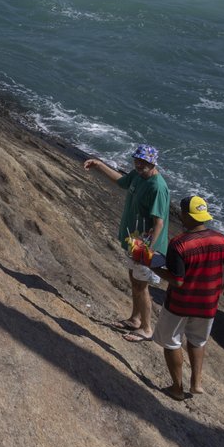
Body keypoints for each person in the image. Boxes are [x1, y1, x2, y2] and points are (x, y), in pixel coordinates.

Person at [152, 195, 224, 398]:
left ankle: (177, 389)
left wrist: (153, 266)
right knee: (197, 341)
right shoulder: (221, 239)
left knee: (172, 342)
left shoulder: (179, 244)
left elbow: (177, 281)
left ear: (186, 215)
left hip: (180, 304)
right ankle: (196, 383)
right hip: (208, 304)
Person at [82, 144, 170, 342]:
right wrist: (98, 164)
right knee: (134, 281)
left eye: (143, 162)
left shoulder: (157, 187)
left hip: (147, 247)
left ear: (153, 163)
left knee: (142, 286)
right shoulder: (138, 175)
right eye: (137, 160)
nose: (139, 164)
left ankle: (147, 329)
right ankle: (135, 319)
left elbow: (159, 223)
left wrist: (146, 251)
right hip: (134, 241)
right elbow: (121, 181)